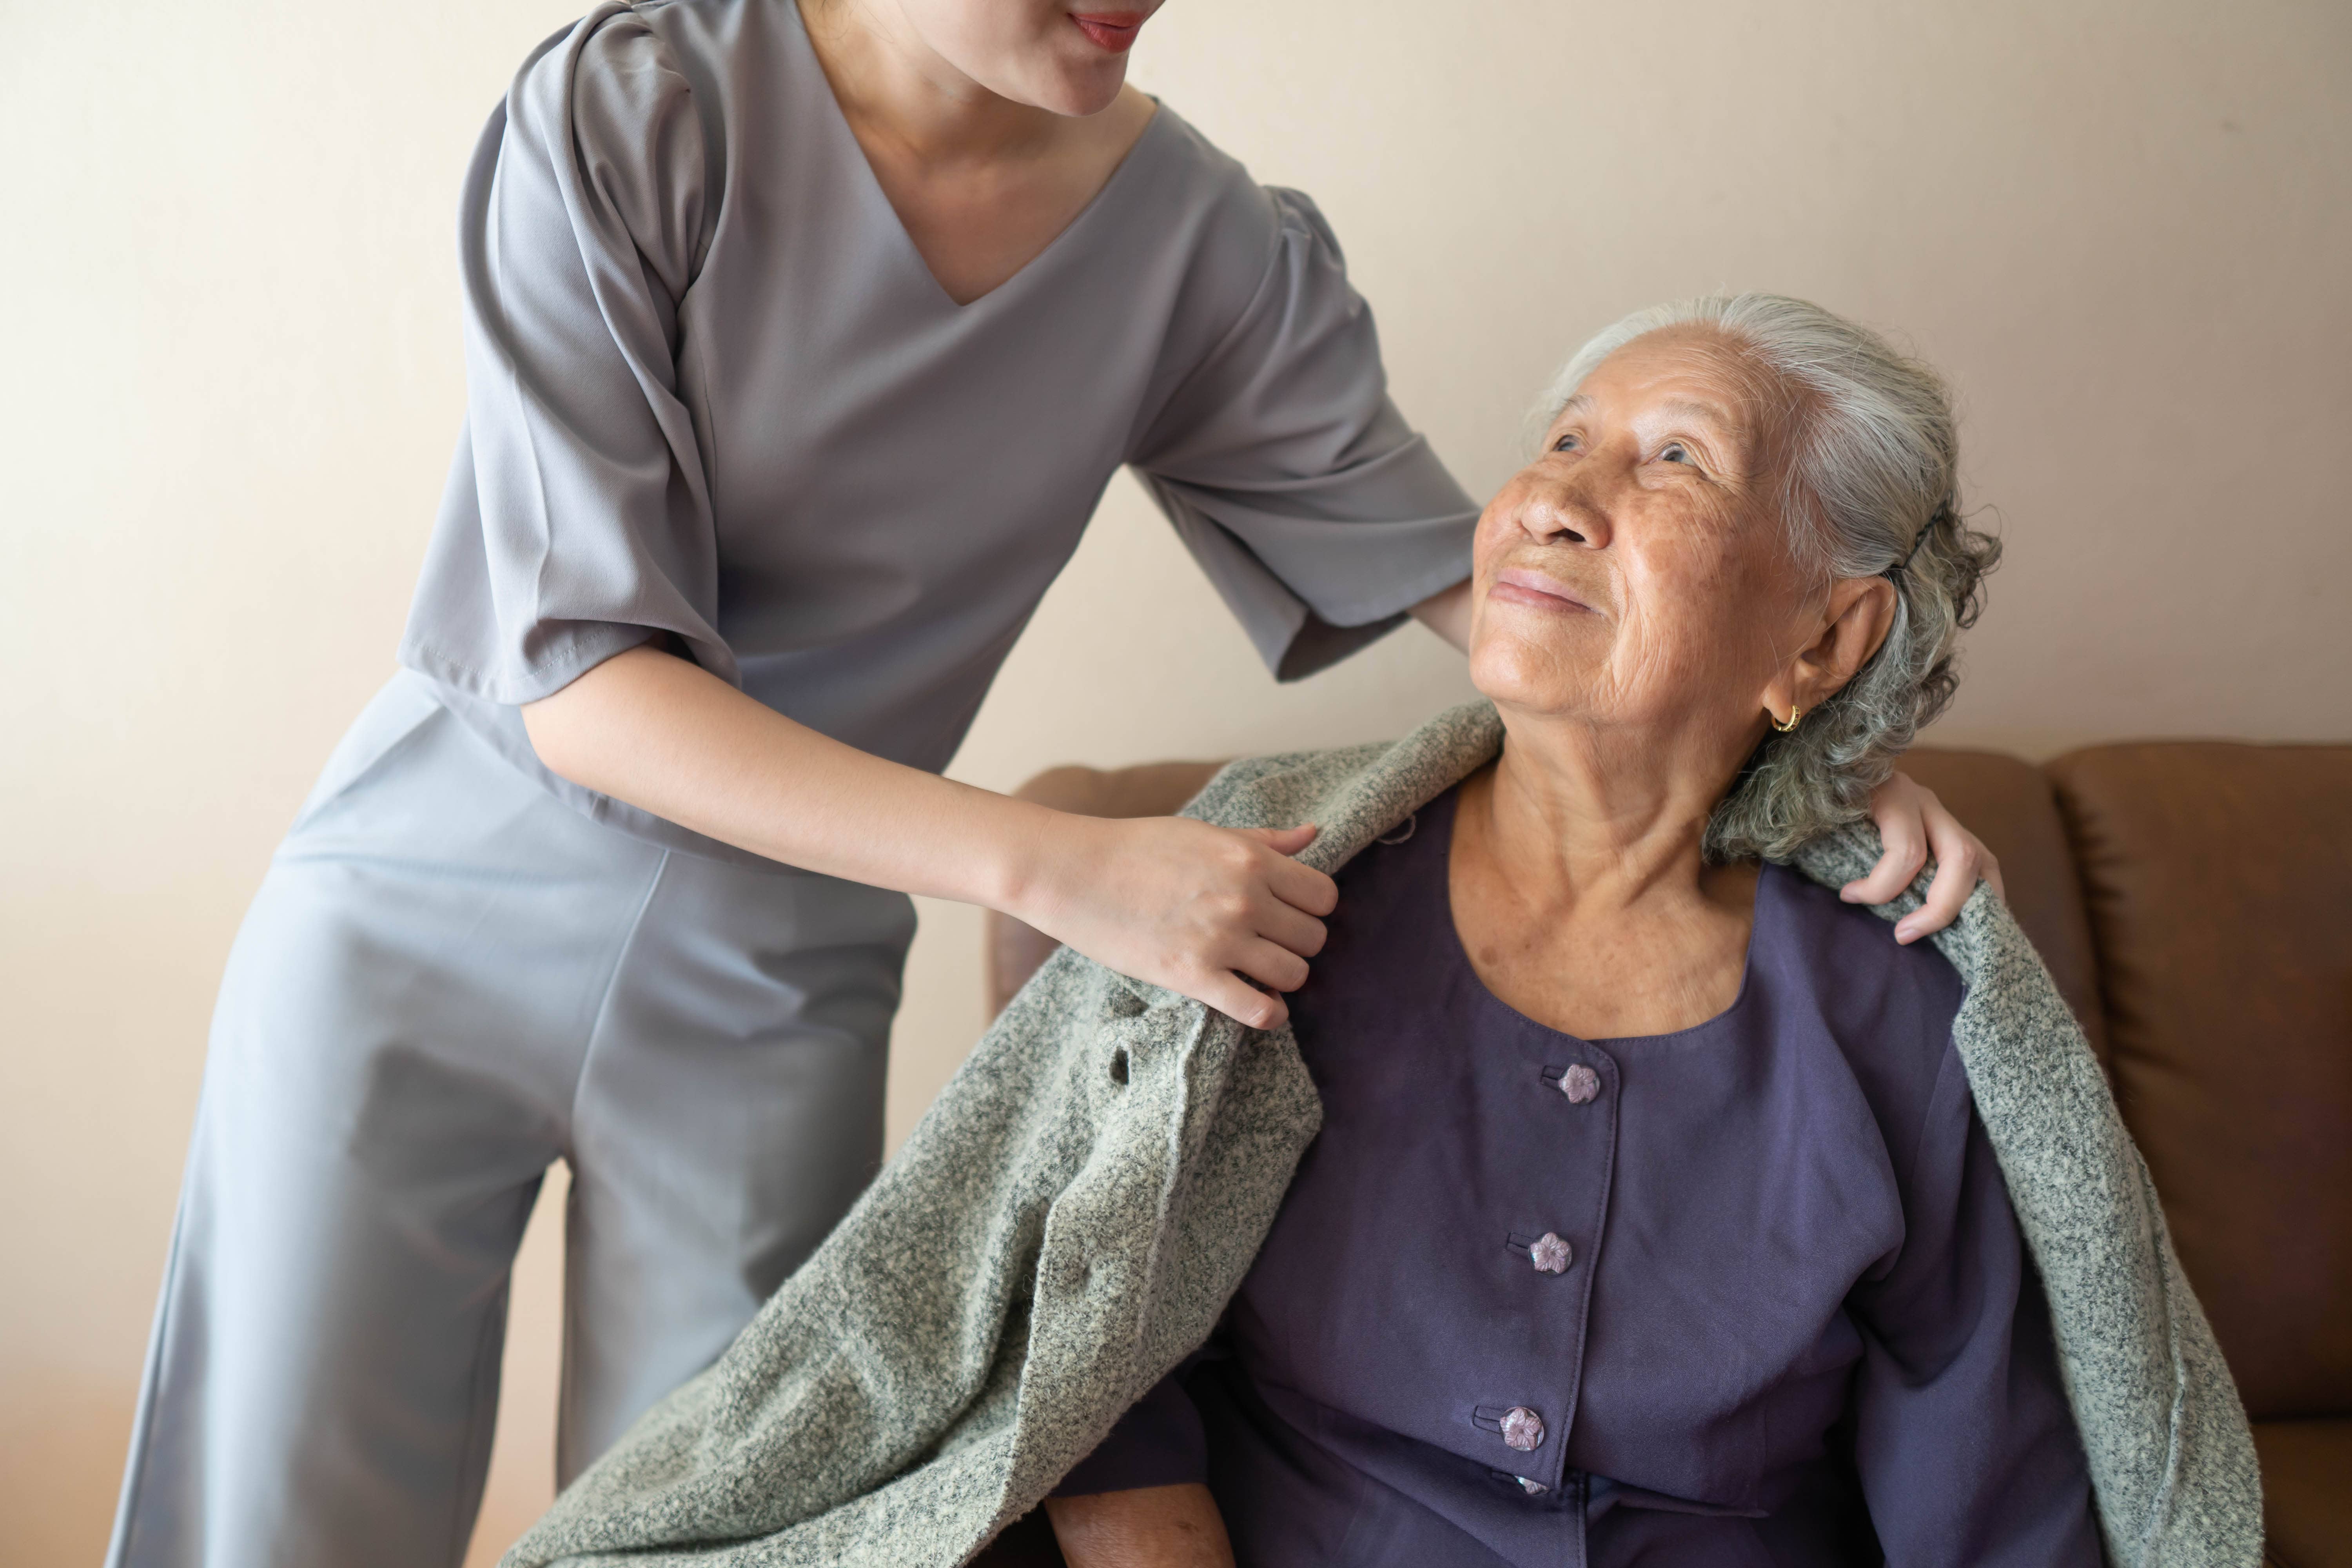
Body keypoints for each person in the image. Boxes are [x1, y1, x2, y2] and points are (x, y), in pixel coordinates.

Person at [103, 0, 1995, 1559]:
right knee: (272, 1521)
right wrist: (1060, 869)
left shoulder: (1197, 242)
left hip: (777, 990)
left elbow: (1498, 576)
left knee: (716, 1532)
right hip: (426, 918)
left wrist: (1818, 754)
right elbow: (582, 684)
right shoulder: (639, 106)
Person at [1041, 295, 2101, 1564]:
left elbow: (1984, 1480)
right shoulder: (1268, 893)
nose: (1557, 500)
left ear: (1824, 636)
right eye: (1561, 443)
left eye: (1675, 459)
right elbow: (1090, 1365)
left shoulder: (1900, 993)